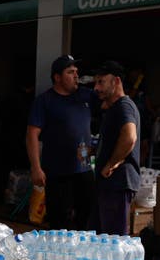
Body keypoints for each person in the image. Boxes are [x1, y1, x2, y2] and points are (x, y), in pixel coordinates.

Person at [26, 55, 96, 230]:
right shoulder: (45, 101)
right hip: (57, 172)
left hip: (84, 169)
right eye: (70, 72)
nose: (75, 76)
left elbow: (110, 101)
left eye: (76, 72)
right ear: (57, 77)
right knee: (60, 222)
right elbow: (32, 135)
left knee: (87, 219)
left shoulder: (86, 96)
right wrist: (36, 167)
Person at [92, 61, 141, 234]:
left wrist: (111, 163)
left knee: (114, 242)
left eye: (101, 82)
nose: (97, 87)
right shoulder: (114, 108)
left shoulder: (124, 106)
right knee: (104, 239)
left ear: (116, 81)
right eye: (95, 83)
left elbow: (130, 137)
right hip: (110, 185)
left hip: (118, 183)